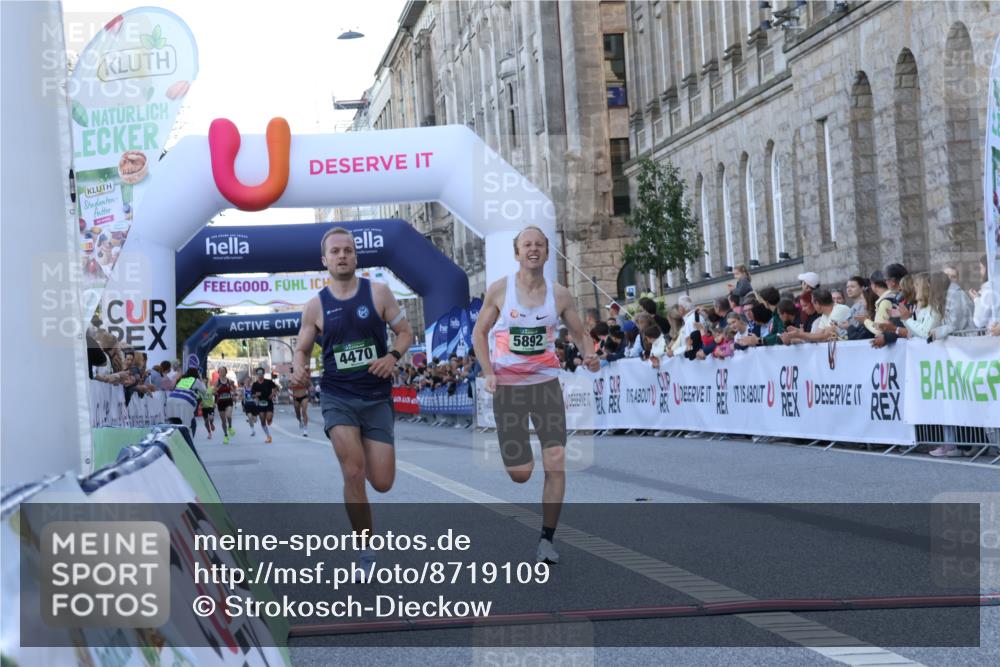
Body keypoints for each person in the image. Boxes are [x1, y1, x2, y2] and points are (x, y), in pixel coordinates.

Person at [291, 226, 413, 578]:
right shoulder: (315, 305)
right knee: (353, 471)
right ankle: (364, 549)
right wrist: (299, 369)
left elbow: (406, 333)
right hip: (338, 397)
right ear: (325, 260)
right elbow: (301, 348)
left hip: (376, 398)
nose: (342, 255)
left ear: (356, 256)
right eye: (336, 251)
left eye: (348, 250)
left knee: (382, 481)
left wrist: (392, 356)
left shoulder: (379, 293)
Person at [472, 225, 598, 565]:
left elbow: (579, 332)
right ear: (517, 253)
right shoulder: (499, 291)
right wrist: (487, 372)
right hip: (509, 389)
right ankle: (517, 455)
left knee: (556, 461)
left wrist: (590, 353)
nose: (533, 249)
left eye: (539, 244)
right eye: (527, 244)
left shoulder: (559, 294)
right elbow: (478, 334)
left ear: (546, 251)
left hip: (545, 386)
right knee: (521, 474)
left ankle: (547, 539)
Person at [165, 367, 206, 436]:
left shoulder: (182, 380)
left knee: (175, 424)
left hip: (171, 400)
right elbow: (204, 391)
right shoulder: (195, 380)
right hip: (184, 402)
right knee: (189, 425)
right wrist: (201, 379)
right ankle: (188, 443)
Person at [251, 367, 277, 443]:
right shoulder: (255, 384)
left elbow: (275, 388)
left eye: (261, 373)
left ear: (263, 374)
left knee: (268, 418)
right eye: (258, 374)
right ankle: (268, 436)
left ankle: (270, 419)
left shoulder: (268, 382)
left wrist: (272, 394)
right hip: (260, 403)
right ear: (256, 375)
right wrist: (256, 395)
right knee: (262, 421)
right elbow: (252, 395)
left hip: (268, 402)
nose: (260, 375)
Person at [215, 367, 236, 444]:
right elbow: (214, 391)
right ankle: (226, 435)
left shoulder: (229, 381)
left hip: (228, 401)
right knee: (223, 421)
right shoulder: (217, 382)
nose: (221, 372)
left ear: (225, 372)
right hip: (220, 402)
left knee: (228, 416)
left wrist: (233, 391)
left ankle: (230, 427)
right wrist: (217, 389)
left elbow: (234, 389)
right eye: (220, 371)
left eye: (223, 371)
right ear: (218, 372)